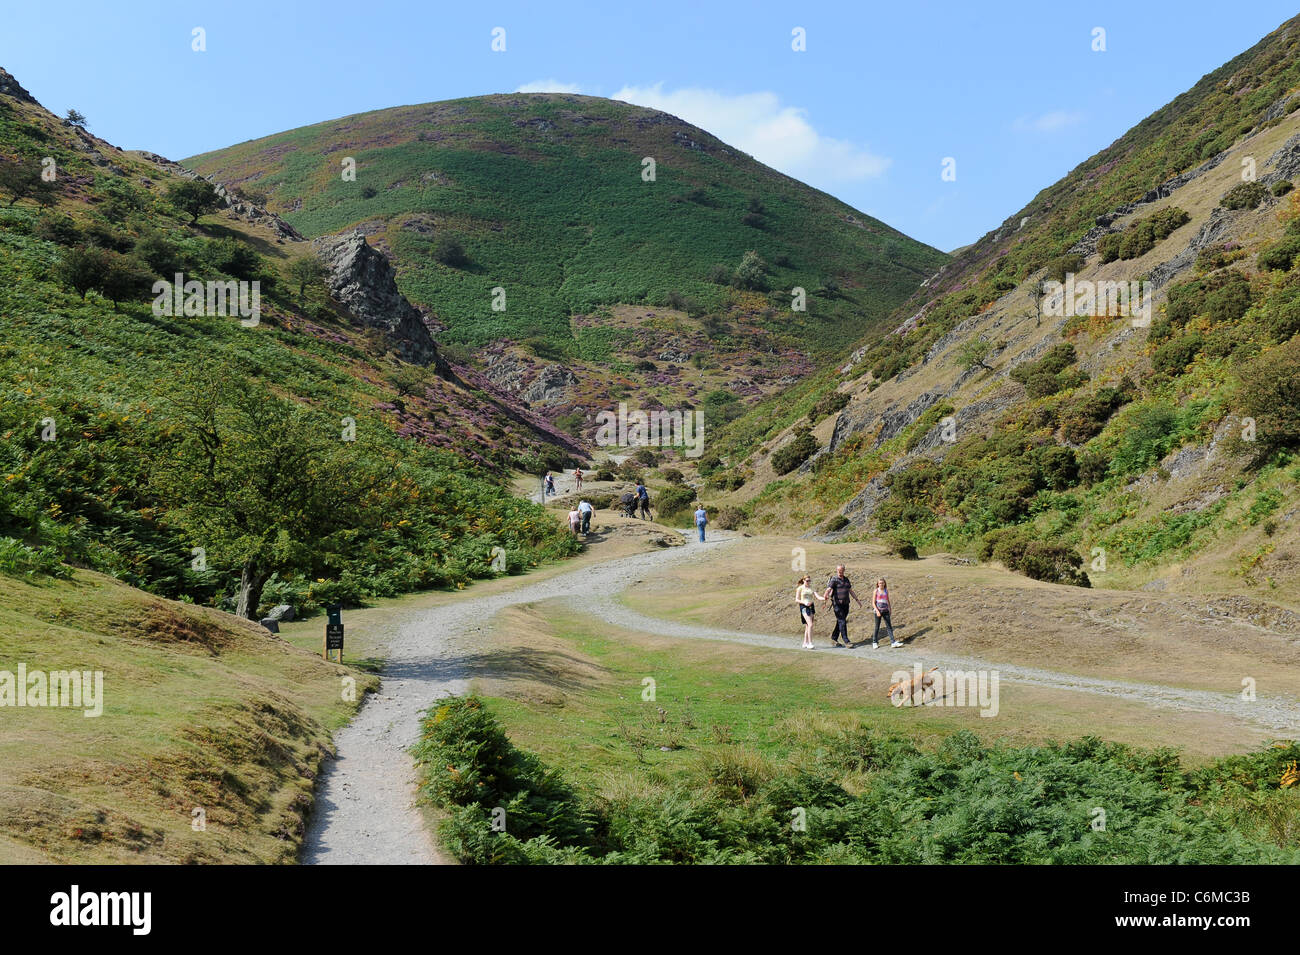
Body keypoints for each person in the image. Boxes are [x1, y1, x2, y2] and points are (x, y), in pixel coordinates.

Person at [822, 565, 862, 648]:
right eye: (839, 570)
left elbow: (850, 590)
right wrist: (825, 596)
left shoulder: (846, 579)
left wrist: (857, 600)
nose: (840, 572)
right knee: (842, 621)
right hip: (837, 604)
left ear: (844, 570)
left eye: (842, 570)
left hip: (846, 604)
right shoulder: (834, 579)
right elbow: (829, 589)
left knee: (840, 622)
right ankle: (846, 641)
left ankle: (834, 638)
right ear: (837, 570)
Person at [795, 575, 825, 649]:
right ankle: (810, 643)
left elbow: (817, 597)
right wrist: (804, 602)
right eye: (807, 580)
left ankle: (805, 642)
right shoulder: (800, 588)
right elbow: (797, 599)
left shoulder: (812, 588)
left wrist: (824, 598)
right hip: (804, 607)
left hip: (811, 606)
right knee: (810, 624)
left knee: (808, 626)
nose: (808, 582)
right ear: (803, 580)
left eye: (809, 580)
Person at [872, 577, 902, 648]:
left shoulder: (886, 590)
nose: (881, 584)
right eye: (879, 583)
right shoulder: (876, 591)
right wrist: (877, 611)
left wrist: (890, 609)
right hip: (878, 611)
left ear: (884, 583)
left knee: (889, 627)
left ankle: (893, 642)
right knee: (877, 627)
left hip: (886, 611)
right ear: (877, 584)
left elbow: (888, 600)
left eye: (882, 583)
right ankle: (874, 642)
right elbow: (873, 603)